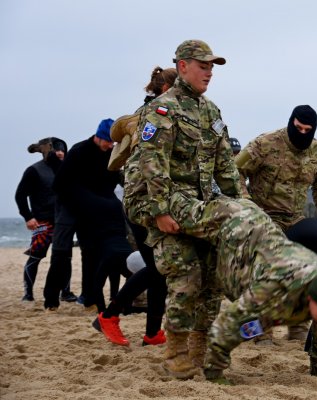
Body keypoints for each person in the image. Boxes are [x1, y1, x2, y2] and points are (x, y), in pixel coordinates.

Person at [123, 39, 241, 378]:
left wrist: (241, 203)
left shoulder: (210, 111)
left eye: (212, 67)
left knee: (211, 280)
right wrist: (161, 212)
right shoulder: (162, 108)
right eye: (203, 66)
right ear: (183, 66)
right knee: (186, 277)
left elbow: (225, 166)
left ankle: (199, 351)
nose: (209, 73)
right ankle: (175, 353)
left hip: (198, 208)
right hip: (164, 205)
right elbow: (151, 161)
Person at [158, 194, 317, 383]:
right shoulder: (273, 288)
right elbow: (228, 325)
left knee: (209, 287)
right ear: (313, 297)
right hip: (234, 220)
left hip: (254, 244)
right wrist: (215, 374)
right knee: (177, 214)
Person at [93, 66, 177, 347]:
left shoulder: (166, 113)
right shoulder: (151, 117)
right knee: (157, 268)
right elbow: (149, 164)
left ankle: (152, 332)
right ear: (167, 89)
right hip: (143, 201)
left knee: (159, 268)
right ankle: (108, 316)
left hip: (154, 200)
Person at [235, 105, 317, 340]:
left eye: (306, 130)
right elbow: (235, 170)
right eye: (297, 127)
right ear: (291, 122)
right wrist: (246, 202)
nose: (301, 133)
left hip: (295, 219)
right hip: (263, 216)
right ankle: (261, 332)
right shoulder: (264, 144)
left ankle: (298, 326)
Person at [50, 119, 133, 312]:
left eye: (113, 143)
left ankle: (89, 297)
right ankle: (51, 298)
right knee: (61, 253)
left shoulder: (109, 154)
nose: (111, 145)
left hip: (93, 210)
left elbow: (110, 182)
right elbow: (60, 184)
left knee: (91, 254)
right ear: (98, 136)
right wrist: (79, 202)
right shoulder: (79, 151)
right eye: (108, 141)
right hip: (69, 206)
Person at [15, 137, 75, 302]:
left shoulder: (68, 170)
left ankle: (66, 292)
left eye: (63, 149)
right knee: (36, 256)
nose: (61, 152)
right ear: (48, 151)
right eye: (57, 149)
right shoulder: (34, 171)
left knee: (65, 257)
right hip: (42, 222)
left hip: (63, 221)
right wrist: (28, 217)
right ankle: (28, 294)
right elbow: (20, 195)